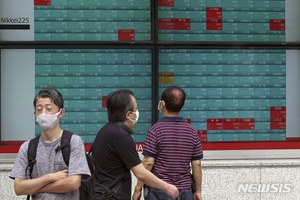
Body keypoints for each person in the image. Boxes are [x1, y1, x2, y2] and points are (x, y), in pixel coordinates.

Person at [92, 89, 179, 200]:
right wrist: (166, 187)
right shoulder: (121, 136)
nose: (137, 112)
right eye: (136, 109)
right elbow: (141, 173)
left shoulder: (105, 130)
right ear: (128, 115)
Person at [9, 87, 91, 199]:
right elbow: (19, 188)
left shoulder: (73, 141)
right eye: (39, 109)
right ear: (35, 114)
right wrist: (50, 177)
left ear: (60, 113)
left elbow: (73, 183)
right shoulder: (27, 147)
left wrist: (36, 187)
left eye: (49, 108)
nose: (43, 114)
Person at [132, 86, 204, 200]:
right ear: (183, 105)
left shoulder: (155, 130)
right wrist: (198, 191)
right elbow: (197, 165)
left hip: (159, 190)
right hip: (185, 191)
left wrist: (137, 189)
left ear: (162, 104)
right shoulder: (192, 131)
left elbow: (148, 163)